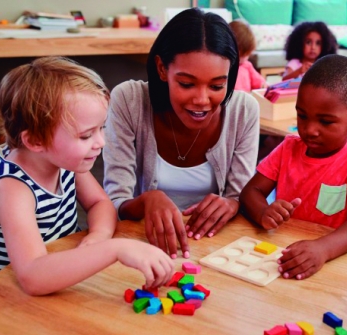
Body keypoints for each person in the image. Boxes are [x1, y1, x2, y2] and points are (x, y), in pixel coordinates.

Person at [0, 57, 175, 302]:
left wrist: (98, 236)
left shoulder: (64, 161)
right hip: (1, 300)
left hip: (57, 279)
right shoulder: (12, 189)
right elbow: (33, 275)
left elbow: (100, 204)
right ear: (35, 141)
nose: (101, 142)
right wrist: (114, 249)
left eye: (101, 128)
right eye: (86, 135)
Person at [103, 8, 260, 259]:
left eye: (217, 86)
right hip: (141, 248)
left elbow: (239, 196)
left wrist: (233, 203)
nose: (202, 100)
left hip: (215, 250)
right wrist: (146, 200)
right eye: (187, 84)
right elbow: (113, 202)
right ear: (162, 69)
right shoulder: (129, 100)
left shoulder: (244, 110)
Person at [240, 54, 347, 280]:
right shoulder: (288, 148)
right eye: (302, 116)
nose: (310, 129)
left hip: (334, 262)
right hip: (283, 256)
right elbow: (251, 191)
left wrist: (323, 249)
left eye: (326, 121)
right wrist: (263, 212)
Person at [229, 19, 267, 92]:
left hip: (246, 100)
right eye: (242, 55)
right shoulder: (225, 67)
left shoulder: (247, 65)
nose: (244, 58)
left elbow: (259, 81)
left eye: (247, 55)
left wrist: (263, 84)